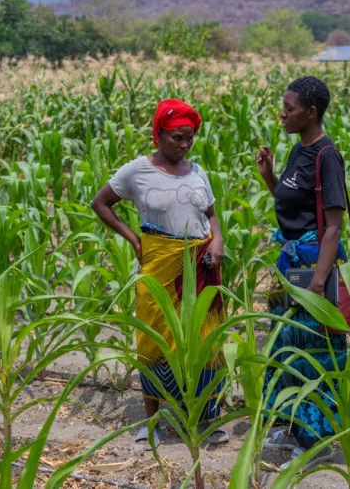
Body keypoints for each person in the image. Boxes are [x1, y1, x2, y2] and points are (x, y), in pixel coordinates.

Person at [91, 98, 229, 449]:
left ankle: (206, 416)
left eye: (190, 138)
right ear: (159, 135)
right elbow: (100, 204)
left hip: (200, 263)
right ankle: (152, 420)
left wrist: (218, 241)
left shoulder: (197, 172)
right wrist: (134, 240)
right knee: (154, 336)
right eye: (177, 137)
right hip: (159, 262)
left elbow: (211, 215)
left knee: (204, 335)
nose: (184, 145)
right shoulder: (137, 171)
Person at [256, 76, 348, 470]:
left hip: (314, 266)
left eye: (290, 108)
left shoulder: (327, 156)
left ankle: (320, 442)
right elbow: (292, 203)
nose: (283, 113)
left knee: (316, 355)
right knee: (286, 347)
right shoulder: (299, 150)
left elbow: (333, 226)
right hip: (292, 262)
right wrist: (269, 177)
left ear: (311, 113)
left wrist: (316, 282)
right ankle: (293, 426)